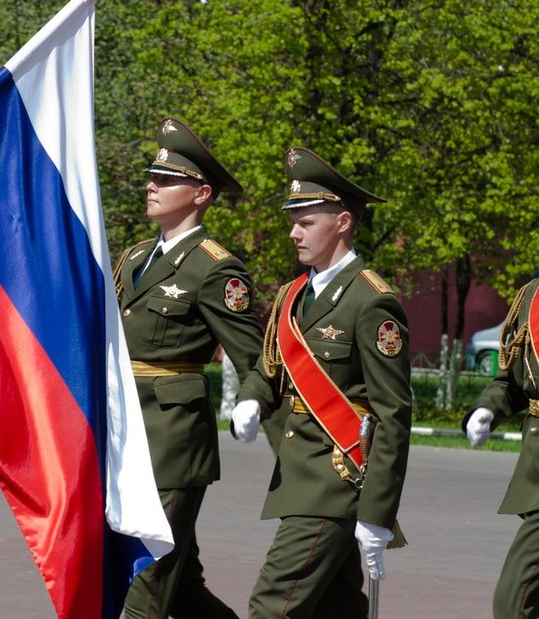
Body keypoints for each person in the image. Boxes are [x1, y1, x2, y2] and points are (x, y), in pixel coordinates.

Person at [232, 147, 411, 617]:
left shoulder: (371, 301)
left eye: (306, 222)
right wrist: (251, 399)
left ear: (343, 222)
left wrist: (377, 513)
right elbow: (270, 367)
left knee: (272, 606)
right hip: (298, 474)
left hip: (335, 481)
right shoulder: (294, 294)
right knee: (336, 608)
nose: (294, 232)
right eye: (294, 221)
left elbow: (393, 414)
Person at [113, 118, 263, 619]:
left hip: (172, 441)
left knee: (147, 584)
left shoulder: (215, 268)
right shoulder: (134, 257)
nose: (151, 186)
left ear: (200, 194)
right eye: (152, 177)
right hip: (125, 437)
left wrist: (252, 402)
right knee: (180, 587)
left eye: (166, 179)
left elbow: (254, 357)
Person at [464, 277, 539, 619]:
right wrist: (488, 408)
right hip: (534, 467)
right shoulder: (532, 295)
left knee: (513, 601)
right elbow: (514, 380)